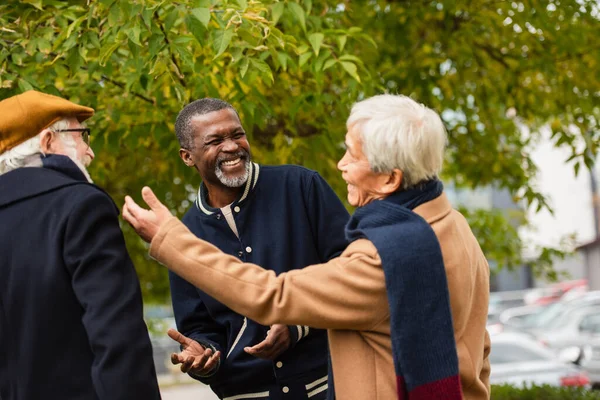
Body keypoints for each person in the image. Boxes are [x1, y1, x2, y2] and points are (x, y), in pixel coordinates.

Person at [123, 94, 491, 400]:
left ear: (390, 178)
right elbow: (479, 343)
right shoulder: (450, 223)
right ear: (187, 156)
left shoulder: (385, 254)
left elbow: (275, 295)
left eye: (352, 155)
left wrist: (169, 240)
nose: (340, 164)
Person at [162, 98, 349, 400]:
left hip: (327, 386)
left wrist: (296, 325)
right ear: (187, 156)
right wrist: (204, 357)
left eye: (237, 134)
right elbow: (199, 327)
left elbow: (350, 271)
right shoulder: (183, 235)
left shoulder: (301, 186)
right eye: (214, 141)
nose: (232, 146)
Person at [0, 91, 161, 400]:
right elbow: (118, 339)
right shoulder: (82, 205)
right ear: (47, 141)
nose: (90, 153)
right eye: (82, 135)